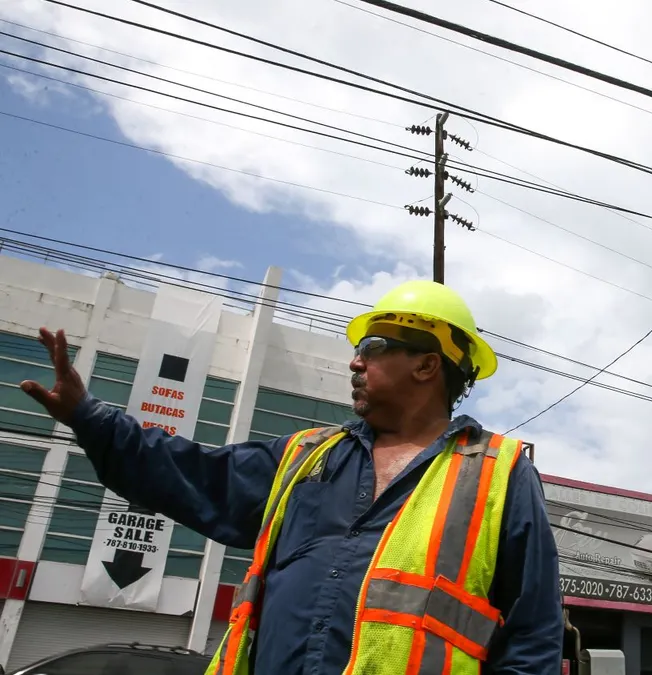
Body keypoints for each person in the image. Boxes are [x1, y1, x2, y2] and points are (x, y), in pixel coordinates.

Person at [21, 279, 564, 675]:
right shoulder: (305, 457)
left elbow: (532, 639)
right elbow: (191, 474)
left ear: (426, 364)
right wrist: (91, 418)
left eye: (372, 349)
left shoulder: (497, 474)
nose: (355, 362)